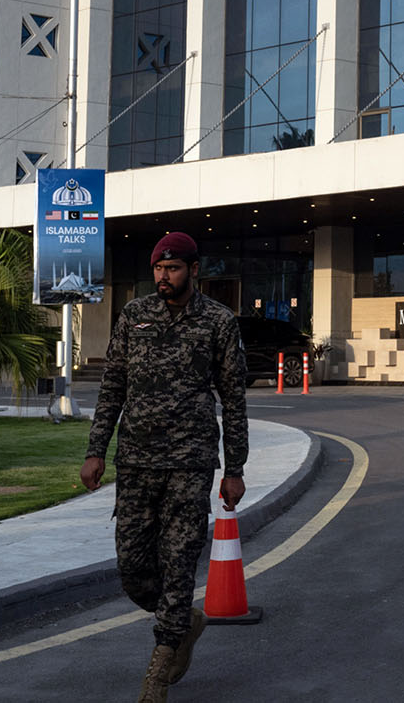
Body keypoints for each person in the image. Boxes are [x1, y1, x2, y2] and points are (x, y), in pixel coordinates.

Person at [81, 232, 251, 703]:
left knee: (178, 565)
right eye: (158, 268)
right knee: (133, 568)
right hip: (135, 459)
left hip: (190, 462)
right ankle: (184, 621)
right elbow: (112, 385)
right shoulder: (134, 316)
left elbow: (233, 400)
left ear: (194, 270)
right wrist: (96, 450)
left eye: (173, 269)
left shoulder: (218, 322)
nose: (164, 276)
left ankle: (156, 678)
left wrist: (233, 468)